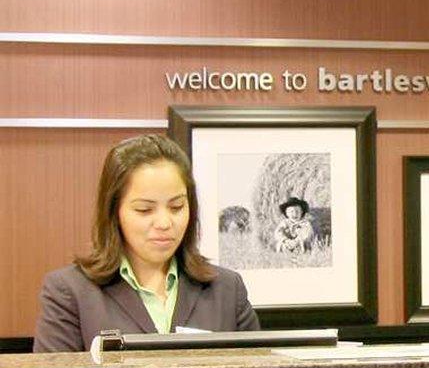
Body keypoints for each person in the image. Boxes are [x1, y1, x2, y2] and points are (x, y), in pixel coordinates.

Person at [33, 134, 260, 352]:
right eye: (144, 209)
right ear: (114, 212)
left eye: (176, 207)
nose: (164, 222)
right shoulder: (70, 292)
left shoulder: (227, 289)